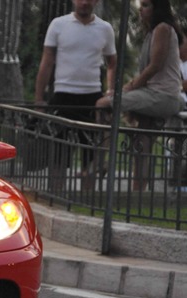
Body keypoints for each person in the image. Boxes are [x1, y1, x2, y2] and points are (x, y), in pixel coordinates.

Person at [96, 0, 183, 191]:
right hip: (154, 93)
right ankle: (138, 189)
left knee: (103, 104)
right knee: (142, 141)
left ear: (157, 8)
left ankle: (101, 160)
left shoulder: (162, 29)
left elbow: (154, 66)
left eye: (146, 5)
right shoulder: (152, 33)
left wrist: (128, 88)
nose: (141, 10)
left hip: (162, 95)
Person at [34, 0, 117, 191]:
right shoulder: (58, 25)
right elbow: (46, 62)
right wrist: (39, 98)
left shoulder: (105, 29)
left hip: (91, 97)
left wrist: (110, 90)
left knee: (91, 153)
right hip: (63, 94)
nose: (84, 2)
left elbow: (112, 62)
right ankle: (56, 194)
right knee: (59, 153)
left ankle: (87, 200)